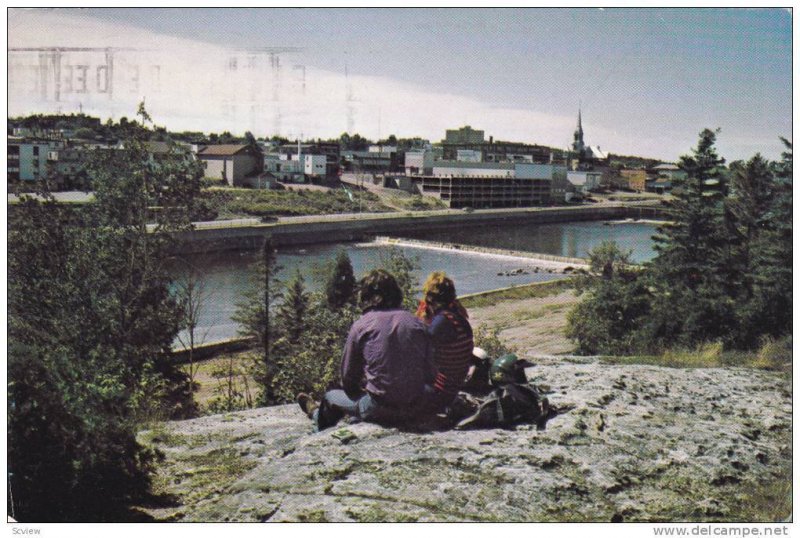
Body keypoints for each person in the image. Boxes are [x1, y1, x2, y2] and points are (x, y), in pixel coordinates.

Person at [297, 269, 434, 431]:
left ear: (370, 299)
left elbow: (347, 380)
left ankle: (316, 419)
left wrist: (365, 393)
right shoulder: (417, 323)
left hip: (378, 409)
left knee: (330, 397)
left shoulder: (362, 325)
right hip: (416, 407)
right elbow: (431, 373)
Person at [416, 271, 474, 414]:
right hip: (452, 390)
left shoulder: (440, 323)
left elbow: (417, 353)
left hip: (439, 393)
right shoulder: (458, 318)